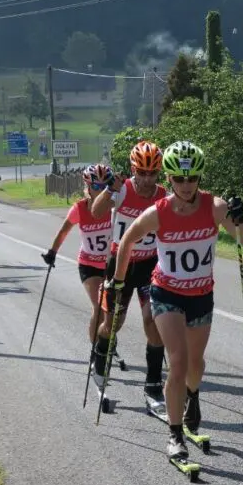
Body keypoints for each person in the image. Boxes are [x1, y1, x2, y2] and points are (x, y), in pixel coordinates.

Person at [107, 141, 243, 459]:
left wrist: (241, 218)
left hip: (201, 295)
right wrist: (117, 280)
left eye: (193, 178)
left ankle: (192, 396)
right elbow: (128, 239)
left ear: (199, 177)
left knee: (196, 364)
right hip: (166, 293)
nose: (187, 185)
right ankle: (174, 435)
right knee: (179, 361)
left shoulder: (214, 207)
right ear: (169, 179)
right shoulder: (157, 212)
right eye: (179, 179)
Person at [90, 141, 168, 405]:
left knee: (152, 321)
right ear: (133, 169)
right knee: (114, 323)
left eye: (152, 173)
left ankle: (153, 384)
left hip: (149, 266)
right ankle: (99, 363)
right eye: (141, 173)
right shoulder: (122, 190)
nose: (147, 179)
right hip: (120, 264)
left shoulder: (163, 195)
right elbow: (96, 211)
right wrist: (109, 189)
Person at [42, 163, 117, 352]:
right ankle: (97, 351)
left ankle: (106, 338)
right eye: (96, 186)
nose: (100, 191)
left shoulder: (115, 206)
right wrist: (52, 252)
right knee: (99, 306)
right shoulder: (80, 208)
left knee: (111, 311)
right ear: (88, 187)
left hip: (111, 265)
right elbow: (63, 231)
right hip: (89, 265)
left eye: (105, 186)